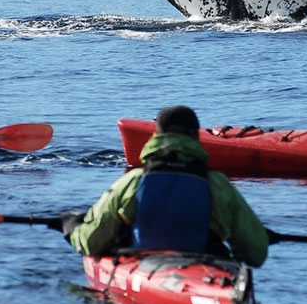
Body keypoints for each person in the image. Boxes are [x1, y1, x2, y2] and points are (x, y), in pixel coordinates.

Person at [63, 105, 269, 266]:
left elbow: (91, 243)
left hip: (145, 267)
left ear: (155, 136)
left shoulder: (132, 181)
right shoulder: (218, 184)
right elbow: (256, 254)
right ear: (196, 137)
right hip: (207, 269)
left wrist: (72, 227)